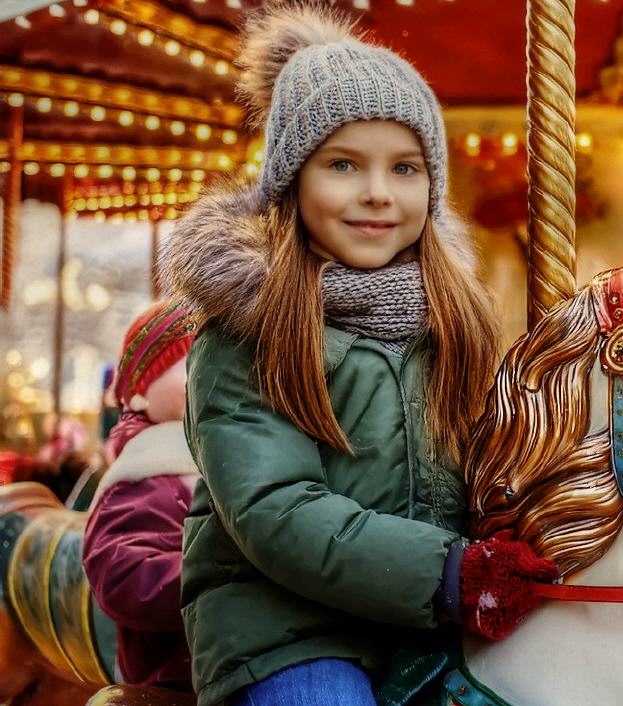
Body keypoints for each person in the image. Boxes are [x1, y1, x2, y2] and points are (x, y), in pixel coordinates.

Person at [160, 5, 557, 706]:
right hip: (288, 630)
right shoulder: (248, 327)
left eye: (405, 168)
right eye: (344, 164)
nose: (378, 192)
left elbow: (494, 458)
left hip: (426, 616)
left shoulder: (452, 320)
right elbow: (275, 510)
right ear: (291, 180)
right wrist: (447, 573)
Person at [81, 301, 198, 693]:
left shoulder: (221, 452)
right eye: (191, 359)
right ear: (142, 389)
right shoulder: (145, 472)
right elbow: (122, 574)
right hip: (173, 672)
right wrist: (210, 579)